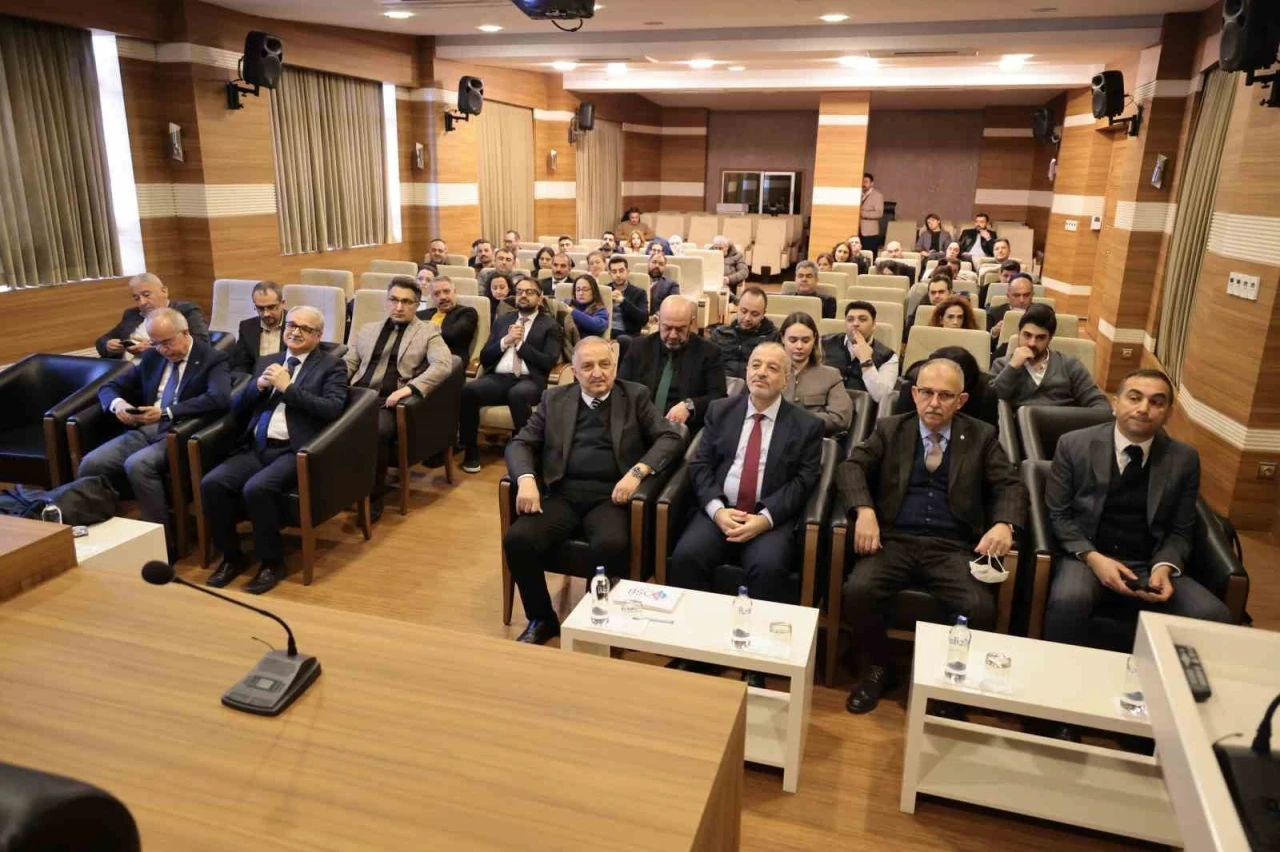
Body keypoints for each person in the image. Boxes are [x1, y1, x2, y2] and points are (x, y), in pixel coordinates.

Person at [840, 357, 1024, 713]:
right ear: (914, 394)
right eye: (926, 393)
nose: (934, 403)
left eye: (945, 395)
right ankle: (878, 667)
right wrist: (864, 510)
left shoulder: (982, 436)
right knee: (859, 591)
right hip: (894, 540)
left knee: (978, 607)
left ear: (961, 401)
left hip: (952, 546)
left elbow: (1010, 485)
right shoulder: (891, 428)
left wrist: (1005, 523)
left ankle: (946, 682)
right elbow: (851, 467)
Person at [503, 337, 687, 645]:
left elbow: (671, 437)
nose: (597, 373)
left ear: (615, 367)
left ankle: (594, 618)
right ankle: (542, 618)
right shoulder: (554, 399)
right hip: (563, 494)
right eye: (587, 366)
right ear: (574, 372)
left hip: (612, 497)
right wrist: (525, 479)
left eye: (605, 364)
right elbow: (521, 443)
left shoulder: (635, 396)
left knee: (610, 544)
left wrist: (638, 472)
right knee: (518, 539)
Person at [1044, 369, 1231, 650]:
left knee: (1213, 615)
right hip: (1088, 555)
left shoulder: (1184, 459)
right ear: (1115, 403)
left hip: (1149, 561)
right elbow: (1059, 515)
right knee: (1069, 601)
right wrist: (1094, 558)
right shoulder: (1073, 444)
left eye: (1156, 402)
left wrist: (1164, 567)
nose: (1144, 409)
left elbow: (1181, 530)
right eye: (1134, 398)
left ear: (1168, 413)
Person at [666, 342, 824, 656]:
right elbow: (701, 465)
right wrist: (716, 510)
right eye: (755, 365)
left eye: (772, 368)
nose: (761, 373)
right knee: (687, 557)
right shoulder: (720, 410)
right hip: (720, 511)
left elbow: (803, 482)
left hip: (769, 519)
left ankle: (756, 659)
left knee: (767, 568)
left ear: (787, 379)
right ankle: (697, 651)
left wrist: (764, 519)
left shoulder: (807, 426)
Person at [202, 306, 348, 594]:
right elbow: (236, 407)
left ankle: (272, 563)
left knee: (257, 489)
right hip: (256, 446)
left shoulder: (331, 366)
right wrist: (256, 386)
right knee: (212, 483)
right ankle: (232, 557)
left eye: (304, 328)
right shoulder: (268, 361)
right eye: (291, 325)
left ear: (318, 335)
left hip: (295, 449)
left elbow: (331, 409)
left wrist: (288, 388)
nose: (295, 332)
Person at [79, 308, 230, 558]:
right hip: (146, 427)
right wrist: (119, 405)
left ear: (185, 333)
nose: (162, 349)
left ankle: (161, 545)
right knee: (92, 463)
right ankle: (105, 540)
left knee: (138, 465)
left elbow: (219, 398)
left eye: (167, 342)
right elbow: (109, 387)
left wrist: (167, 412)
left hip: (183, 432)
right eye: (156, 343)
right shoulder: (153, 357)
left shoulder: (212, 359)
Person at [345, 277, 453, 521]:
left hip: (390, 401)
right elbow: (349, 363)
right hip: (358, 395)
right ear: (387, 301)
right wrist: (332, 385)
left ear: (417, 305)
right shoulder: (367, 330)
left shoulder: (428, 331)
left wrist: (410, 389)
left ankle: (374, 496)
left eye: (406, 302)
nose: (399, 307)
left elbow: (443, 365)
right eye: (394, 300)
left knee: (377, 431)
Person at [459, 280, 564, 473]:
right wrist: (505, 341)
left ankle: (527, 452)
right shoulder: (503, 320)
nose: (523, 295)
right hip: (499, 378)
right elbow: (485, 357)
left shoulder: (551, 326)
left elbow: (548, 361)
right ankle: (471, 450)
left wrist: (520, 345)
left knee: (517, 394)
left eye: (529, 292)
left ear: (540, 298)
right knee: (468, 390)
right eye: (520, 291)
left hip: (530, 380)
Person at [619, 297, 726, 432]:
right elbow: (620, 389)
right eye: (667, 328)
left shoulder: (709, 353)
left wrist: (690, 406)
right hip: (638, 426)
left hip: (680, 430)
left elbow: (718, 397)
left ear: (691, 323)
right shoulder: (639, 347)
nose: (673, 335)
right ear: (658, 321)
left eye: (680, 329)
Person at [989, 304, 1109, 410]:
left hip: (1063, 424)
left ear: (1050, 338)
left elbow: (1098, 402)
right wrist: (1012, 367)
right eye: (1027, 335)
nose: (1032, 343)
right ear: (1019, 333)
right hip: (1018, 426)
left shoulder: (1070, 365)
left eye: (1040, 338)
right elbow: (989, 403)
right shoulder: (1002, 364)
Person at [96, 273, 210, 360]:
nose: (142, 302)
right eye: (136, 298)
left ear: (164, 291)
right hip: (124, 370)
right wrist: (109, 345)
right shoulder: (132, 314)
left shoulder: (186, 311)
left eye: (146, 295)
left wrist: (153, 350)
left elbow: (201, 344)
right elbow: (102, 340)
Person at [779, 313, 852, 437]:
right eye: (793, 340)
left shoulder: (830, 376)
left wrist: (798, 419)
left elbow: (840, 418)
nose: (799, 346)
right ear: (782, 339)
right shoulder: (769, 372)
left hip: (813, 439)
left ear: (814, 340)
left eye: (805, 340)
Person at [892, 346, 999, 426]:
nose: (934, 403)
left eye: (946, 395)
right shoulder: (911, 389)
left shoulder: (985, 397)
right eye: (928, 392)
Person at [822, 300, 898, 402]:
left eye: (862, 319)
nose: (855, 324)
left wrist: (866, 361)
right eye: (850, 320)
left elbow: (882, 397)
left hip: (861, 409)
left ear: (874, 324)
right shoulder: (823, 343)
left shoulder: (888, 357)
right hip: (822, 403)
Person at [710, 286, 777, 380]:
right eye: (744, 311)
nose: (747, 318)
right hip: (721, 384)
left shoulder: (773, 338)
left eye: (754, 314)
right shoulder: (720, 334)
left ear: (763, 314)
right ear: (737, 308)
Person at [418, 276, 479, 365]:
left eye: (446, 291)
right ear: (432, 297)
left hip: (448, 360)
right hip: (419, 359)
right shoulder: (420, 315)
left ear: (455, 292)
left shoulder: (467, 313)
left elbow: (452, 335)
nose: (442, 297)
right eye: (437, 294)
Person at [228, 281, 286, 375]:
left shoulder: (295, 325)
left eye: (271, 307)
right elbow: (242, 364)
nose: (266, 314)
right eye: (260, 308)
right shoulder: (247, 327)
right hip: (256, 379)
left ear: (282, 303)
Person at [604, 256, 647, 340]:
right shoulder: (604, 290)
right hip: (605, 330)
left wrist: (623, 301)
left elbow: (644, 319)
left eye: (621, 271)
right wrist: (608, 301)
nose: (618, 275)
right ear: (610, 274)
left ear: (628, 272)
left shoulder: (639, 293)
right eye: (614, 272)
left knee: (623, 339)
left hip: (627, 334)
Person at [987, 273, 1034, 344]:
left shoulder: (1042, 314)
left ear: (1032, 295)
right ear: (1008, 296)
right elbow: (985, 345)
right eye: (1016, 295)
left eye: (1026, 295)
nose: (1021, 300)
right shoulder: (993, 313)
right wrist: (994, 332)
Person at [904, 273, 955, 337]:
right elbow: (908, 331)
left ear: (950, 293)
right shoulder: (923, 305)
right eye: (933, 293)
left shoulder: (959, 307)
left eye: (941, 292)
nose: (936, 296)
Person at [860, 173, 885, 257]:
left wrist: (862, 213)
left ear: (872, 183)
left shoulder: (877, 196)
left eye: (866, 182)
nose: (863, 184)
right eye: (862, 181)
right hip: (857, 230)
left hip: (870, 232)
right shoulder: (858, 194)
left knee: (869, 255)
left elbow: (879, 213)